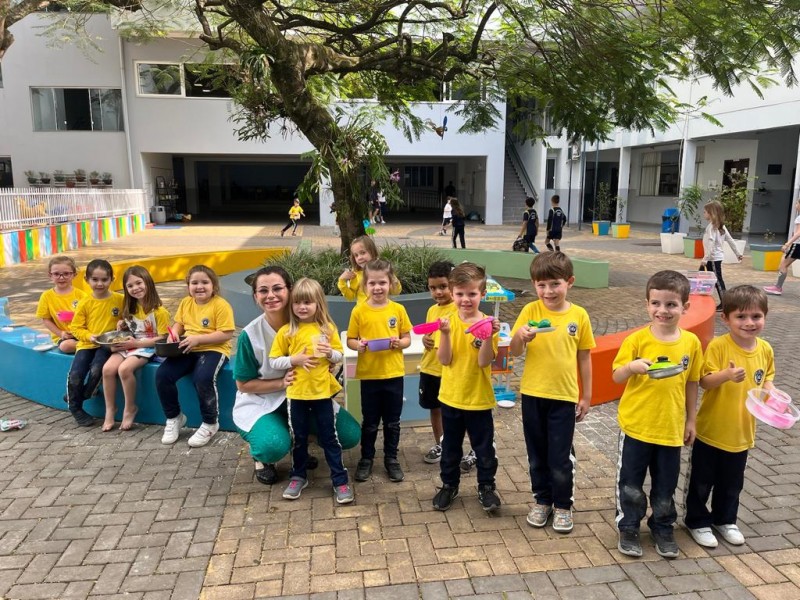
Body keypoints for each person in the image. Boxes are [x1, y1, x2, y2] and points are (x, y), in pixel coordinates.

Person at [233, 267, 360, 485]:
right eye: (263, 291)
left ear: (290, 291)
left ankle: (297, 438)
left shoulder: (313, 325)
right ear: (255, 296)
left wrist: (328, 362)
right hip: (264, 400)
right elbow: (243, 384)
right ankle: (263, 456)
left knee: (349, 434)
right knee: (272, 445)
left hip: (306, 394)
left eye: (277, 288)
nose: (270, 295)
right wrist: (282, 382)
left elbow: (333, 354)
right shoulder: (250, 335)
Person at [611, 270, 703, 559]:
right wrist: (631, 367)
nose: (663, 310)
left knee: (665, 486)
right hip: (636, 426)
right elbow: (616, 376)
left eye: (671, 304)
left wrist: (691, 419)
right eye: (656, 303)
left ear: (685, 307)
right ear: (647, 304)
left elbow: (692, 382)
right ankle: (628, 526)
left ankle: (662, 526)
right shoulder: (636, 340)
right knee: (630, 484)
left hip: (671, 429)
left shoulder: (691, 343)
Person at [510, 252, 595, 532]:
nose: (549, 291)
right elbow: (514, 351)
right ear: (534, 284)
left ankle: (562, 505)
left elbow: (585, 357)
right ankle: (542, 500)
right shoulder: (530, 311)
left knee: (559, 457)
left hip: (563, 397)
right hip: (532, 394)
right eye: (542, 285)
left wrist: (586, 396)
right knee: (536, 454)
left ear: (569, 282)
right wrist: (520, 336)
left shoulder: (578, 315)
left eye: (555, 284)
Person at [684, 286, 774, 549]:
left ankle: (725, 520)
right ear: (726, 318)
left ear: (765, 316)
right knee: (701, 481)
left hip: (742, 433)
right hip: (711, 431)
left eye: (756, 316)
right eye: (741, 317)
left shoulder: (765, 349)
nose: (749, 323)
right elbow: (704, 381)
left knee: (732, 483)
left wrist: (771, 391)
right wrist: (726, 375)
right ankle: (697, 521)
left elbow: (767, 377)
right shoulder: (718, 346)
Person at [268, 278, 354, 504]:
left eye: (307, 302)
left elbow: (339, 355)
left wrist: (329, 354)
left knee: (330, 437)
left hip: (322, 394)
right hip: (296, 395)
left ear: (318, 304)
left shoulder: (327, 329)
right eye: (297, 302)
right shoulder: (287, 331)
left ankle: (339, 480)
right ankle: (298, 476)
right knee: (299, 438)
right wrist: (293, 360)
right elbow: (273, 361)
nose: (302, 307)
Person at [432, 262, 501, 512]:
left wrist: (487, 336)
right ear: (452, 294)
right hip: (451, 397)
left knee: (484, 448)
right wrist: (446, 334)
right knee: (450, 447)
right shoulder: (446, 322)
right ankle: (449, 485)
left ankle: (486, 486)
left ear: (482, 294)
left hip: (479, 399)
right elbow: (444, 360)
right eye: (460, 293)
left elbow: (484, 362)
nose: (465, 299)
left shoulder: (488, 324)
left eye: (472, 293)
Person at [347, 259, 412, 483]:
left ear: (391, 283)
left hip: (393, 374)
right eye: (372, 283)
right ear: (364, 285)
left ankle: (391, 459)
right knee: (370, 422)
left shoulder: (398, 310)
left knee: (393, 422)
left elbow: (407, 337)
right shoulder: (359, 311)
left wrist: (400, 343)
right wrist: (359, 345)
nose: (377, 288)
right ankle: (366, 458)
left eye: (382, 282)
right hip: (369, 375)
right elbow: (350, 339)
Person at [157, 265, 235, 447]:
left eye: (205, 282)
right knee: (162, 375)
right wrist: (174, 334)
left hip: (214, 349)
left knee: (202, 378)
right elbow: (179, 323)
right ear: (188, 286)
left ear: (214, 285)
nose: (199, 286)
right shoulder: (186, 302)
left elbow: (226, 333)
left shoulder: (221, 305)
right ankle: (174, 417)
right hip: (188, 347)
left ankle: (210, 422)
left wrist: (199, 339)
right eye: (194, 283)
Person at [101, 265, 170, 431]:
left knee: (124, 369)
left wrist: (137, 344)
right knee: (107, 369)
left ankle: (130, 407)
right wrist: (122, 324)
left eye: (139, 283)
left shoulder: (159, 311)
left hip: (147, 346)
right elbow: (133, 327)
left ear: (148, 282)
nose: (135, 288)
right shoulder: (130, 308)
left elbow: (163, 338)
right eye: (130, 285)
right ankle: (110, 409)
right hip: (130, 343)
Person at [66, 259, 124, 426]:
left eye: (104, 279)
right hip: (87, 344)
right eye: (95, 279)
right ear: (87, 280)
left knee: (97, 370)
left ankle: (81, 394)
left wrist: (123, 323)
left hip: (107, 345)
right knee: (76, 374)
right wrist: (89, 336)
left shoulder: (119, 299)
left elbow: (127, 318)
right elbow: (76, 327)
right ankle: (75, 407)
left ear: (112, 279)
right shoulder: (84, 302)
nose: (100, 284)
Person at [419, 261, 456, 463]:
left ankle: (464, 447)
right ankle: (440, 443)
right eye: (433, 288)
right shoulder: (432, 310)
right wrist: (425, 340)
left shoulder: (459, 309)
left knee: (456, 411)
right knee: (435, 409)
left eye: (443, 286)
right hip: (430, 368)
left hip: (450, 370)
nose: (438, 292)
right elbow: (429, 335)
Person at [36, 255, 86, 354]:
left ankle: (89, 344)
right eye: (56, 274)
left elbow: (89, 316)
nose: (61, 277)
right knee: (65, 346)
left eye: (66, 274)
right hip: (63, 337)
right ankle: (91, 345)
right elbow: (46, 319)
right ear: (50, 275)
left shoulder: (82, 295)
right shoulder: (46, 296)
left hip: (82, 333)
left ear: (74, 274)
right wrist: (61, 333)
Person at [701, 200, 742, 310]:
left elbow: (711, 243)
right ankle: (702, 299)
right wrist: (738, 253)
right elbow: (730, 240)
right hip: (711, 258)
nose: (703, 214)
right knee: (702, 277)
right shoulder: (720, 226)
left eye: (705, 212)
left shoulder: (712, 227)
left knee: (717, 281)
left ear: (711, 213)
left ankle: (725, 303)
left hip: (713, 259)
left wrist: (705, 258)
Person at [337, 235, 401, 303]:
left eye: (363, 253)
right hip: (364, 309)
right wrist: (342, 281)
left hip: (382, 308)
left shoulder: (383, 271)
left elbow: (395, 292)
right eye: (356, 255)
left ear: (372, 252)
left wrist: (393, 279)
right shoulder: (356, 275)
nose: (359, 258)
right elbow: (351, 297)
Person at [764, 197, 800, 296]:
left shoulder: (799, 218)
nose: (796, 206)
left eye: (797, 203)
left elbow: (798, 233)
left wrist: (787, 244)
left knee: (783, 265)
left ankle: (778, 287)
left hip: (797, 245)